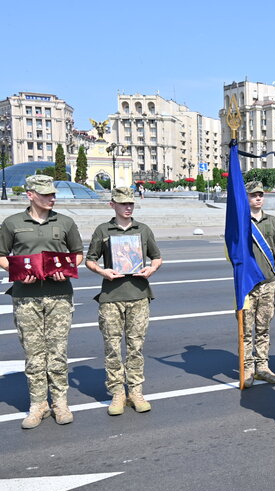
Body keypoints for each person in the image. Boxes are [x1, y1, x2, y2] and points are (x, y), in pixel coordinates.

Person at [0, 175, 84, 429]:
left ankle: (60, 401)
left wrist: (67, 269)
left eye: (53, 194)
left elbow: (77, 254)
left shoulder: (65, 222)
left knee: (57, 350)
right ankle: (38, 404)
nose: (52, 198)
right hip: (25, 297)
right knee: (34, 352)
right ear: (30, 195)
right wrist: (16, 273)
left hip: (59, 294)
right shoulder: (13, 223)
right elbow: (2, 255)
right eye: (46, 194)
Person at [85, 187, 163, 416]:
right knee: (112, 348)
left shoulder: (143, 230)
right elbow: (90, 260)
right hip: (111, 297)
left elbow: (157, 257)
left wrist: (151, 269)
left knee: (135, 347)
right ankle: (117, 393)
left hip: (138, 295)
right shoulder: (103, 230)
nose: (128, 207)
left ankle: (136, 391)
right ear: (113, 205)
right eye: (123, 204)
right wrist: (103, 271)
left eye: (131, 204)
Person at [242, 181, 275, 387]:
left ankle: (262, 366)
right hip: (247, 284)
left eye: (260, 195)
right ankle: (247, 368)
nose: (258, 198)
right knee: (246, 328)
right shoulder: (240, 222)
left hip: (268, 281)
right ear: (247, 198)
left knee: (264, 327)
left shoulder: (273, 222)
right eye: (253, 195)